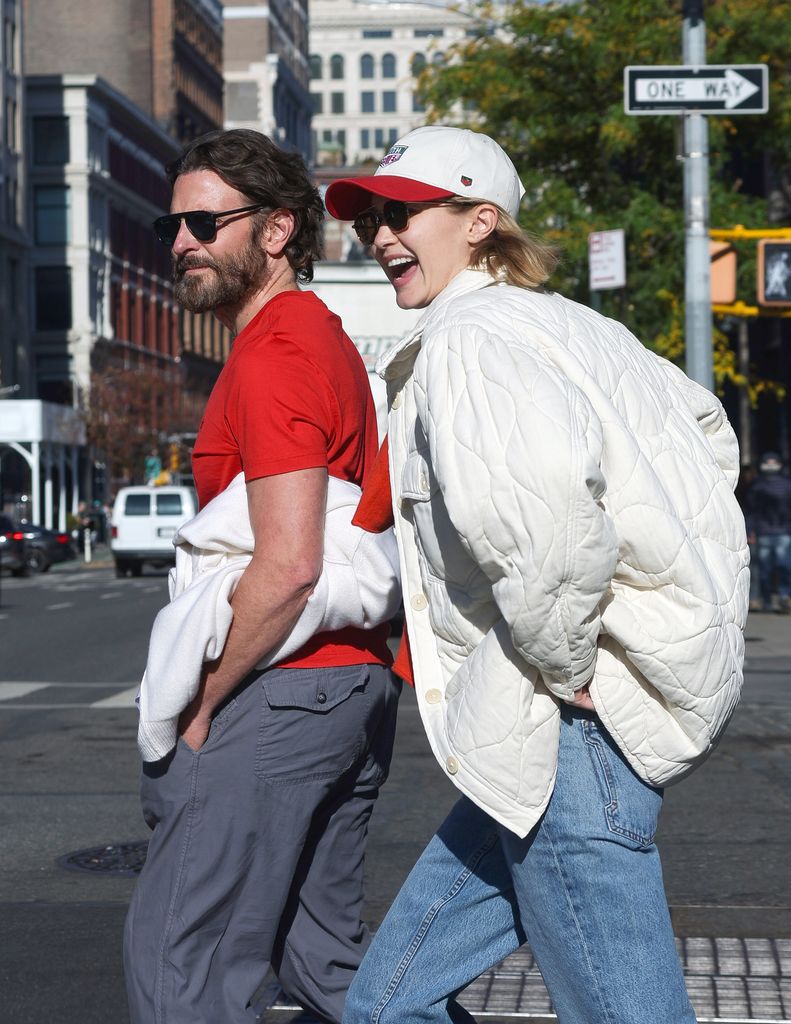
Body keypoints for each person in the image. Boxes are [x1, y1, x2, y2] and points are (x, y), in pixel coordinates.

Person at [325, 125, 749, 1024]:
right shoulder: (580, 327)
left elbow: (542, 525)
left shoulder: (471, 339)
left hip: (560, 729)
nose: (381, 237)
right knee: (380, 1007)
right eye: (371, 221)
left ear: (481, 220)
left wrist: (570, 662)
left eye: (402, 214)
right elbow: (710, 439)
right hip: (533, 740)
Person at [123, 128, 402, 1024]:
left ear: (277, 231)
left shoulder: (277, 353)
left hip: (281, 699)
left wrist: (201, 703)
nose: (181, 244)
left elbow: (288, 564)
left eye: (205, 222)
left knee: (182, 966)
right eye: (174, 225)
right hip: (349, 690)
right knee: (330, 971)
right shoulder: (313, 338)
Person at [743, 450, 791, 613]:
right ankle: (767, 599)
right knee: (764, 570)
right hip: (763, 532)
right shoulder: (757, 486)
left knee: (784, 566)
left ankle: (784, 596)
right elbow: (752, 511)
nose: (771, 466)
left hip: (783, 531)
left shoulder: (787, 484)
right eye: (767, 463)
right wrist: (750, 530)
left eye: (773, 462)